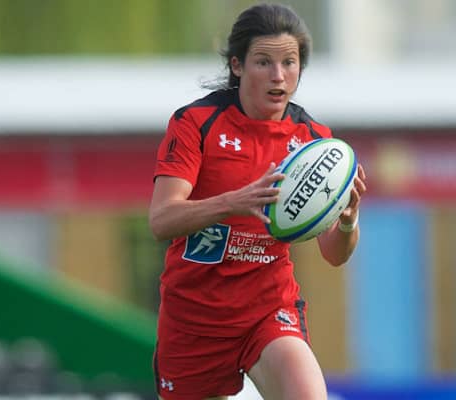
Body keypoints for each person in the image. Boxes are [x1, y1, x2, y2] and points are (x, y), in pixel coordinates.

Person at [149, 3, 366, 399]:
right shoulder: (196, 123)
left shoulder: (314, 141)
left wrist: (348, 220)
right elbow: (162, 219)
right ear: (237, 65)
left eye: (289, 62)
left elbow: (334, 254)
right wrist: (233, 202)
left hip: (269, 310)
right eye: (264, 62)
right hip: (195, 319)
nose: (278, 75)